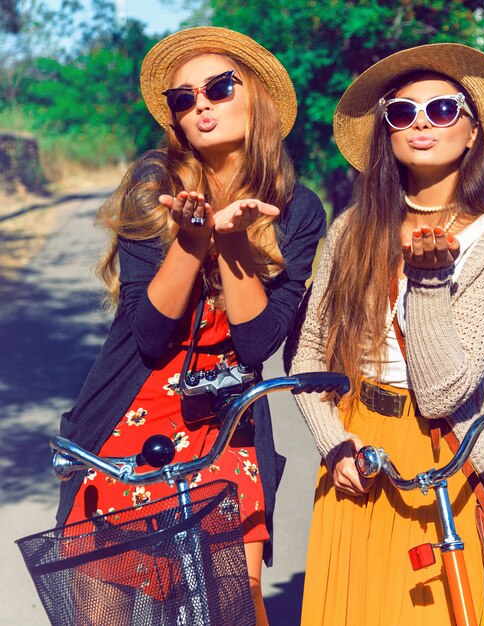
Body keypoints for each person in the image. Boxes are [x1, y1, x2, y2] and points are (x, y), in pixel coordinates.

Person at [56, 26, 326, 624]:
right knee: (106, 612)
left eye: (219, 87)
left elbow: (258, 342)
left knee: (234, 609)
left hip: (227, 433)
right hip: (126, 424)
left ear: (256, 97)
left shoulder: (297, 208)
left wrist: (231, 244)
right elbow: (151, 335)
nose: (200, 103)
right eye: (184, 98)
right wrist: (194, 237)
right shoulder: (155, 184)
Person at [288, 43, 484, 625]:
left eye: (444, 109)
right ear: (386, 133)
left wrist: (427, 284)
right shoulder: (353, 228)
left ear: (473, 132)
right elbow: (308, 355)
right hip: (354, 449)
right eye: (402, 112)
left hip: (440, 459)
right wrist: (333, 442)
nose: (421, 122)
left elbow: (443, 393)